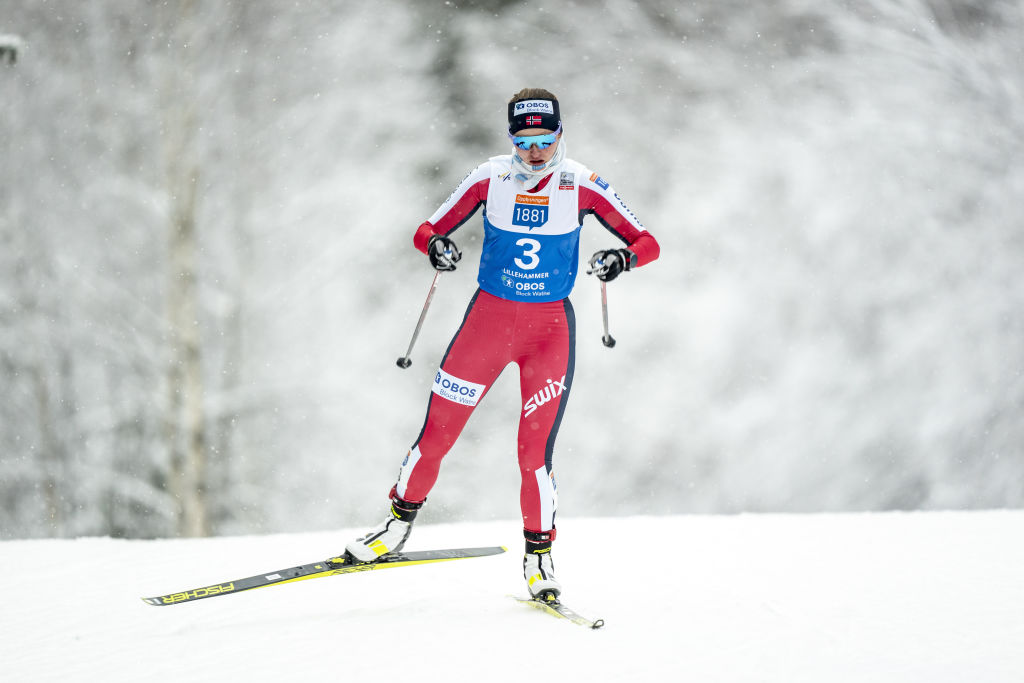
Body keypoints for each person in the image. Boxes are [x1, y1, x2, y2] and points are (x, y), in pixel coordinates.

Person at [345, 88, 660, 598]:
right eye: (523, 141)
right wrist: (438, 247)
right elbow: (426, 230)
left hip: (549, 334)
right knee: (437, 435)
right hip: (486, 327)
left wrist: (620, 261)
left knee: (533, 456)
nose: (534, 152)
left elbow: (647, 242)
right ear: (510, 139)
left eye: (544, 139)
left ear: (560, 134)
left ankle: (539, 560)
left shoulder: (582, 183)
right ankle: (395, 528)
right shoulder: (489, 176)